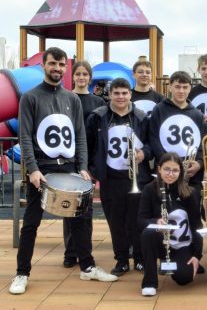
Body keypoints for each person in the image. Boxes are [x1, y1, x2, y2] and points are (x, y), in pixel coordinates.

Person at [10, 47, 117, 295]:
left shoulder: (71, 99)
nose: (57, 68)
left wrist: (82, 166)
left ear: (65, 68)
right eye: (52, 64)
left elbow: (79, 135)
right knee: (31, 223)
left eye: (61, 64)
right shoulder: (31, 97)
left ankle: (87, 267)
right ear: (44, 66)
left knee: (81, 220)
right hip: (42, 169)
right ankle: (22, 273)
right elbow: (24, 136)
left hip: (69, 168)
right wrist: (33, 169)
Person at [86, 77, 152, 276]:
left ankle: (140, 259)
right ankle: (122, 259)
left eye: (124, 93)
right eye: (116, 93)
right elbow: (89, 146)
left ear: (130, 94)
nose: (121, 97)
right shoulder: (98, 117)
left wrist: (144, 154)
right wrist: (93, 170)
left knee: (137, 221)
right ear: (110, 94)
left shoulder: (141, 117)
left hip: (136, 178)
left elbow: (151, 144)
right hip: (110, 178)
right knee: (115, 222)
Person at [139, 152, 203, 296]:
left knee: (184, 278)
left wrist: (197, 255)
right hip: (160, 241)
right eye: (167, 169)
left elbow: (196, 225)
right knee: (147, 234)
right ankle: (149, 282)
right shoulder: (149, 190)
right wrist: (155, 222)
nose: (170, 174)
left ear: (181, 172)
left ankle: (184, 262)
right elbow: (141, 220)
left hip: (181, 244)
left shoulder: (189, 192)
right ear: (159, 168)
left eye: (175, 170)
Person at [62, 60, 105, 268]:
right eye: (78, 74)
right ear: (74, 77)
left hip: (89, 161)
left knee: (86, 210)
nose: (81, 77)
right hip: (70, 160)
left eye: (85, 74)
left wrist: (91, 163)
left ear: (89, 78)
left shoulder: (98, 102)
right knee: (69, 207)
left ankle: (84, 250)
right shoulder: (65, 98)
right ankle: (70, 252)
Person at [149, 71, 204, 192]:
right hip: (165, 170)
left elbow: (202, 143)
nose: (181, 91)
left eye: (185, 87)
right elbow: (153, 138)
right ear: (170, 87)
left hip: (190, 174)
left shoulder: (197, 114)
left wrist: (199, 163)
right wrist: (167, 163)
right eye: (177, 87)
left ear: (190, 88)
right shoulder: (159, 109)